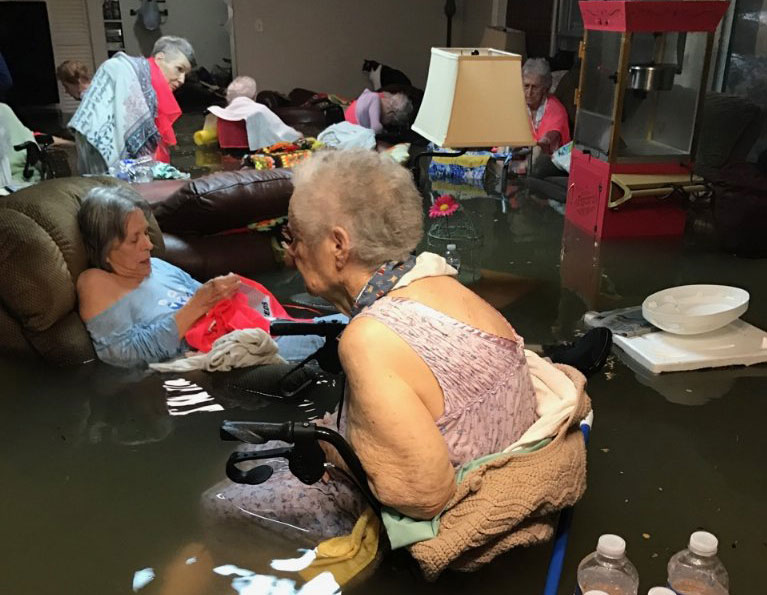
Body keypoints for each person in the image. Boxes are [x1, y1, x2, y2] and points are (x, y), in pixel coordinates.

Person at [201, 149, 540, 543]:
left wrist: (329, 450)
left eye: (294, 236)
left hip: (430, 512)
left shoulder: (370, 338)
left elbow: (423, 496)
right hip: (488, 457)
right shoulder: (441, 283)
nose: (290, 252)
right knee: (262, 447)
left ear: (338, 246)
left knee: (219, 502)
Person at [76, 185, 339, 368]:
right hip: (225, 359)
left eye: (146, 233)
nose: (148, 244)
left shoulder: (157, 265)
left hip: (253, 333)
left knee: (349, 326)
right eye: (135, 239)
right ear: (106, 247)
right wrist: (197, 305)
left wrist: (220, 292)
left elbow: (214, 307)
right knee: (346, 340)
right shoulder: (97, 283)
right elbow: (121, 357)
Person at [69, 35, 195, 174]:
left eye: (185, 74)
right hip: (99, 160)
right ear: (159, 58)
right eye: (179, 69)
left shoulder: (152, 92)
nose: (182, 79)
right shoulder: (120, 69)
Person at [523, 58, 571, 155]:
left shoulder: (556, 110)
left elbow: (546, 144)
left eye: (535, 87)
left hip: (546, 160)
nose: (529, 92)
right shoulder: (517, 105)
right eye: (526, 86)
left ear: (545, 89)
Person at [344, 89, 413, 134]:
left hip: (350, 117)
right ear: (391, 112)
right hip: (351, 125)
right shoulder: (374, 98)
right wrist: (383, 131)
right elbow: (376, 128)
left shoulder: (373, 95)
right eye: (391, 120)